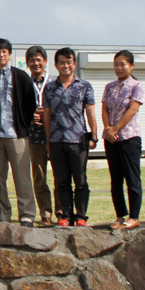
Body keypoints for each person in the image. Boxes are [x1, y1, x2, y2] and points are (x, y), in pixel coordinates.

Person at [0, 38, 38, 227]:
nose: (1, 55)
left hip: (17, 135)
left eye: (5, 51)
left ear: (10, 54)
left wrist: (24, 124)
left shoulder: (21, 76)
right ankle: (3, 215)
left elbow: (31, 103)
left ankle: (27, 214)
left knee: (22, 177)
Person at [43, 47, 98, 227]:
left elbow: (90, 112)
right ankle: (66, 216)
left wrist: (94, 135)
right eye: (61, 62)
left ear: (74, 64)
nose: (65, 65)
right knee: (62, 181)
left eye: (69, 62)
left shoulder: (84, 86)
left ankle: (81, 216)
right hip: (57, 140)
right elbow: (47, 115)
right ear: (56, 65)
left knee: (80, 180)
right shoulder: (50, 87)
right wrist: (48, 140)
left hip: (78, 140)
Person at [103, 50, 145, 231]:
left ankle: (134, 217)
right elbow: (105, 109)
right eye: (116, 64)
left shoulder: (137, 86)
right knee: (116, 179)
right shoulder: (109, 87)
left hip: (129, 137)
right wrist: (108, 130)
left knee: (132, 178)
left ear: (131, 66)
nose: (119, 68)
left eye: (123, 64)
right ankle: (120, 215)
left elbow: (132, 110)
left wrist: (116, 128)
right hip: (112, 139)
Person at [25, 46, 57, 226]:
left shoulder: (55, 81)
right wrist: (31, 115)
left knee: (60, 176)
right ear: (27, 63)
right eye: (32, 60)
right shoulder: (25, 82)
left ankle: (62, 213)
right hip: (34, 136)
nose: (35, 63)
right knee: (39, 177)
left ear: (45, 61)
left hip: (56, 135)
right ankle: (45, 214)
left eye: (39, 60)